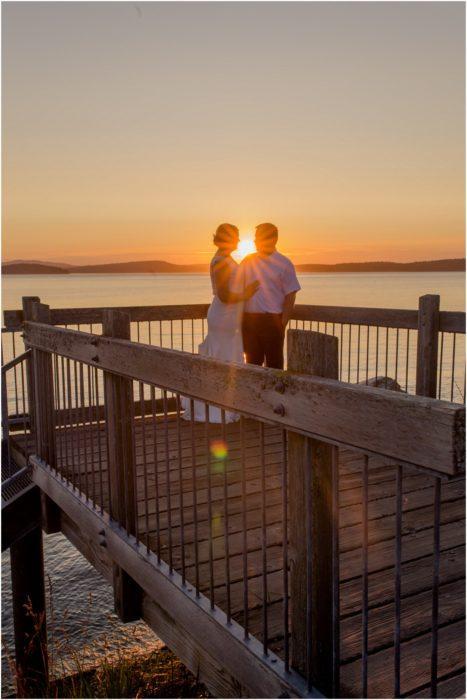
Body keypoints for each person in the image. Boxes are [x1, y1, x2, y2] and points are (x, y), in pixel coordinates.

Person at [182, 223, 259, 422]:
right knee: (224, 360)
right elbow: (225, 295)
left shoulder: (224, 259)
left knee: (226, 359)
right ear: (227, 239)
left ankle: (223, 405)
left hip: (228, 317)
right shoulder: (221, 262)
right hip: (224, 317)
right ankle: (218, 409)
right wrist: (248, 292)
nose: (239, 241)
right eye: (236, 237)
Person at [235, 222, 301, 369]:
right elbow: (237, 287)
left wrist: (282, 324)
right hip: (249, 320)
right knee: (251, 366)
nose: (255, 241)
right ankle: (253, 392)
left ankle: (273, 393)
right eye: (256, 238)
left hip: (272, 321)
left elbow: (291, 295)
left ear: (273, 239)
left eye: (259, 237)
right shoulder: (247, 261)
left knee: (274, 365)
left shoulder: (284, 263)